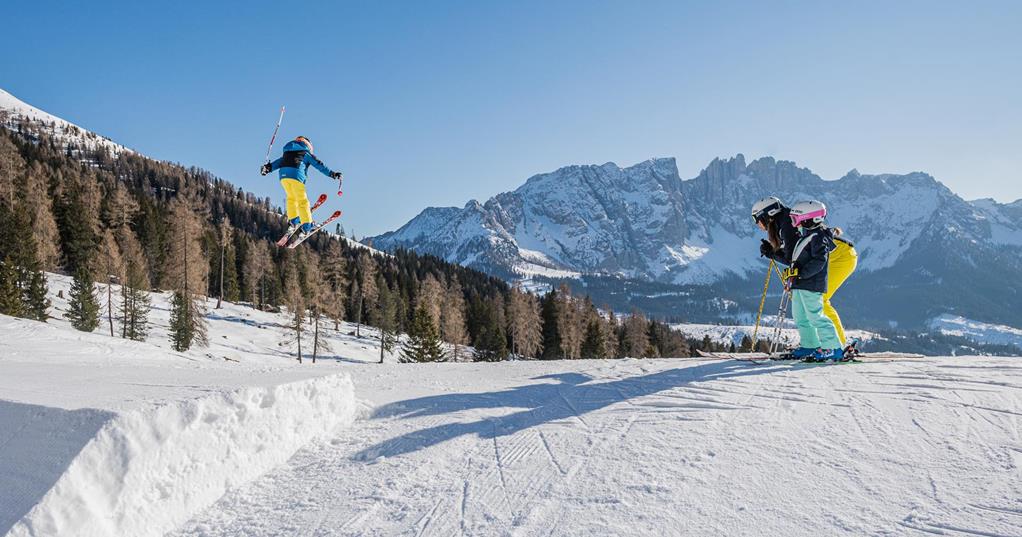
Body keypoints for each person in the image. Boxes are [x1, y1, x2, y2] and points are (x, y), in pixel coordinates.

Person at [751, 196, 858, 351]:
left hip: (840, 257)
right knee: (806, 302)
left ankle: (837, 347)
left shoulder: (787, 225)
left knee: (818, 300)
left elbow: (794, 258)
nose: (757, 224)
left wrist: (772, 253)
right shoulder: (784, 223)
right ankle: (814, 344)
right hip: (835, 254)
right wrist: (773, 252)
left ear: (768, 215)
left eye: (757, 218)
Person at [260, 136, 343, 239]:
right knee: (302, 201)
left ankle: (293, 220)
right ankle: (307, 226)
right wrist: (333, 174)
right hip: (296, 177)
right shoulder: (306, 153)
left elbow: (277, 163)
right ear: (308, 145)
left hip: (284, 178)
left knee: (291, 198)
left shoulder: (287, 152)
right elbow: (319, 165)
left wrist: (267, 168)